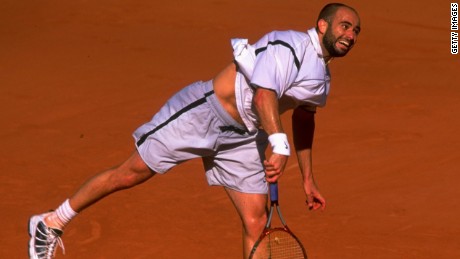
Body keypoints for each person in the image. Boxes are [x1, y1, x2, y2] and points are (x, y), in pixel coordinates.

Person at [28, 3, 361, 258]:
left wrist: (307, 178)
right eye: (344, 26)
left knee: (256, 222)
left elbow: (304, 118)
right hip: (203, 113)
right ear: (322, 25)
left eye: (356, 31)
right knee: (130, 174)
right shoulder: (288, 46)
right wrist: (278, 143)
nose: (350, 35)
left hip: (243, 140)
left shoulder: (322, 80)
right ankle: (51, 222)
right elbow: (264, 93)